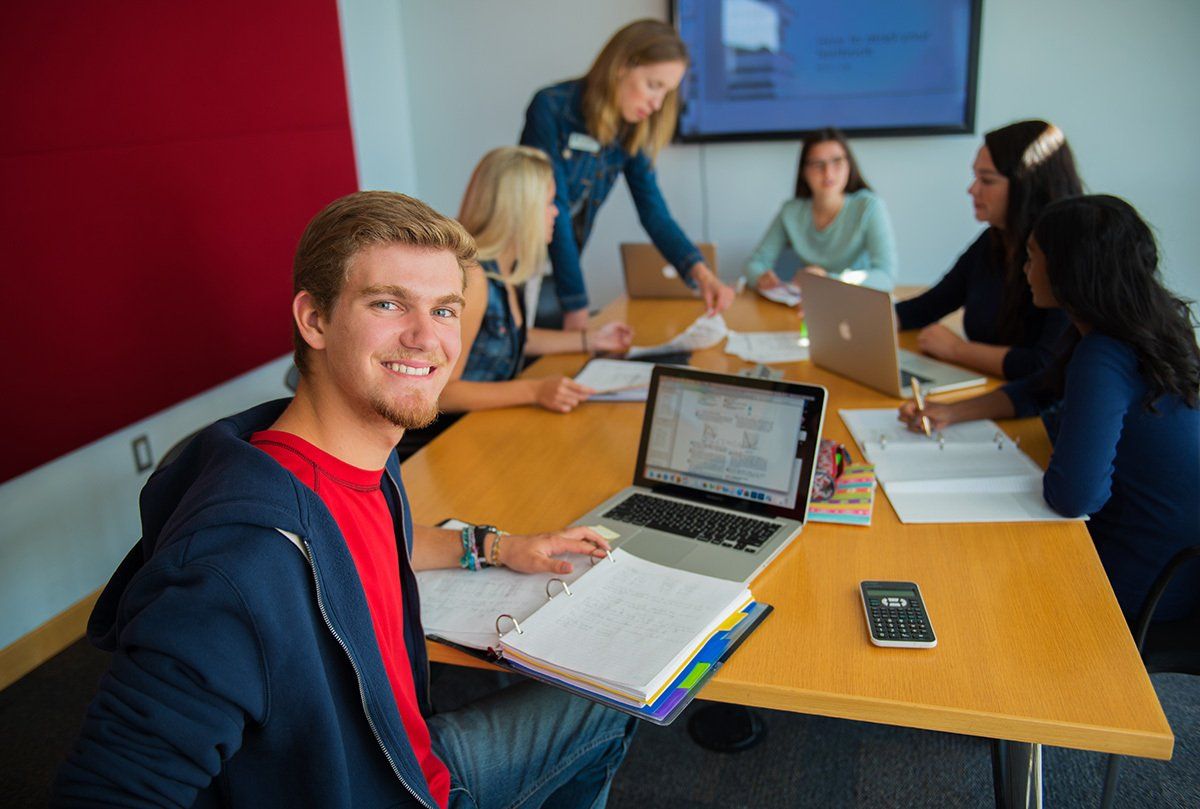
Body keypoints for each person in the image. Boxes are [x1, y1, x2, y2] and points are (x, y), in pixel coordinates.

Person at [53, 191, 637, 808]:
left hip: (403, 763)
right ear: (315, 320)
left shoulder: (359, 459)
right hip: (373, 787)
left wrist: (494, 545)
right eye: (388, 304)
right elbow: (106, 793)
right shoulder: (234, 564)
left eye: (444, 310)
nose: (426, 338)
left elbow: (361, 548)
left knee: (614, 692)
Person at [899, 195, 1200, 622]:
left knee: (962, 574)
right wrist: (952, 411)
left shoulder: (1103, 352)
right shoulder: (1149, 319)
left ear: (1068, 271)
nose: (1024, 270)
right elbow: (1042, 389)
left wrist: (1063, 446)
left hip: (1141, 577)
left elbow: (1073, 497)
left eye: (1032, 257)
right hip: (1179, 557)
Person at [398, 147, 635, 460]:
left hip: (481, 426)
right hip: (441, 445)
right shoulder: (473, 277)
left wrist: (590, 339)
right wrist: (535, 391)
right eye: (549, 203)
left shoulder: (508, 267)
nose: (556, 213)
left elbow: (505, 337)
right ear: (520, 209)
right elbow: (442, 392)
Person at [520, 18, 734, 329]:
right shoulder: (551, 107)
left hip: (562, 268)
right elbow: (559, 209)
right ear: (622, 66)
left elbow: (655, 213)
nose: (657, 103)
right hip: (523, 261)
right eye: (653, 86)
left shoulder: (631, 131)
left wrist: (701, 274)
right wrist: (576, 304)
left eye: (666, 93)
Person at [894, 120, 1083, 380]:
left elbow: (1045, 365)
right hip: (994, 393)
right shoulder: (994, 239)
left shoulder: (1070, 255)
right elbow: (929, 306)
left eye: (987, 180)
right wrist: (868, 319)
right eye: (975, 177)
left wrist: (957, 349)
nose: (972, 189)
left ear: (1027, 185)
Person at [744, 127, 898, 293]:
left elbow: (885, 276)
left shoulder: (869, 207)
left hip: (857, 300)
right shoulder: (791, 212)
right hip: (808, 304)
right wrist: (760, 277)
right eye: (818, 164)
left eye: (837, 161)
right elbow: (755, 263)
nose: (828, 172)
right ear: (804, 171)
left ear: (849, 165)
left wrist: (828, 281)